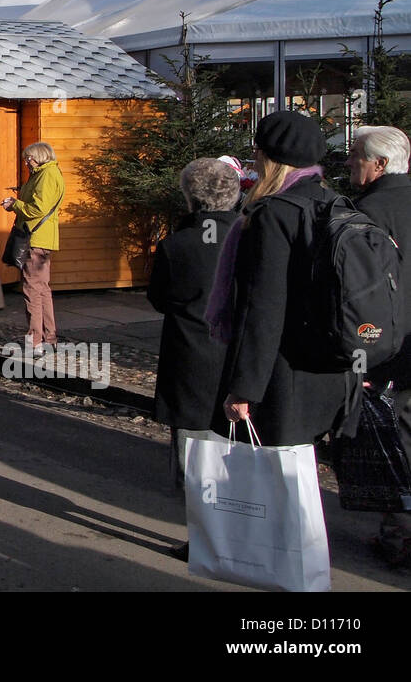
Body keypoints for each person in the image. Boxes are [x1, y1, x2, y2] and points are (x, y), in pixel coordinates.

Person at [214, 111, 359, 448]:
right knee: (305, 478)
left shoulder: (272, 214)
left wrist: (244, 387)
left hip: (283, 373)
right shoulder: (336, 205)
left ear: (266, 157)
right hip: (334, 369)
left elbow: (262, 307)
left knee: (278, 487)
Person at [147, 159, 240, 491]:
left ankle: (203, 537)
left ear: (191, 196)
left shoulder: (176, 245)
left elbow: (158, 298)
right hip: (240, 360)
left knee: (196, 463)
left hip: (190, 361)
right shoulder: (254, 236)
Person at [347, 125, 411, 565]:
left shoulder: (366, 212)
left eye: (356, 155)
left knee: (398, 437)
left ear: (380, 165)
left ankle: (401, 535)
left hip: (393, 345)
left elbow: (360, 292)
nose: (349, 161)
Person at [1, 142, 64, 357]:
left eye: (29, 158)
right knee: (42, 289)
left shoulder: (46, 175)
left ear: (40, 156)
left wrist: (15, 205)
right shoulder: (44, 174)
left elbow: (37, 208)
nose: (27, 162)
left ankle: (35, 340)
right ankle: (49, 337)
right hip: (43, 239)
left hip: (35, 239)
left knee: (32, 290)